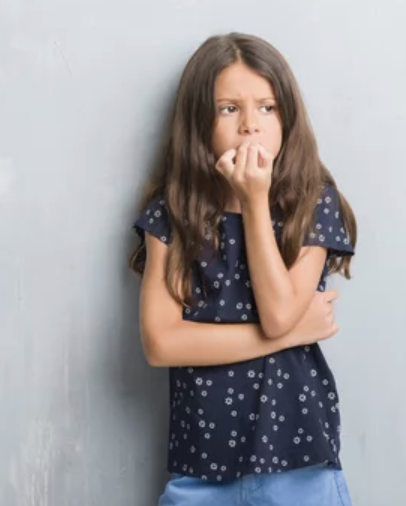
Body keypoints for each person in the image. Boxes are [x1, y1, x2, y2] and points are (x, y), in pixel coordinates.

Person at [129, 32, 358, 505]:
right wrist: (294, 334)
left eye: (267, 108)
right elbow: (161, 343)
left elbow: (277, 311)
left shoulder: (313, 203)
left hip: (301, 467)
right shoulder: (173, 214)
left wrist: (255, 203)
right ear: (200, 122)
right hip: (202, 474)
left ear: (287, 117)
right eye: (229, 108)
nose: (250, 125)